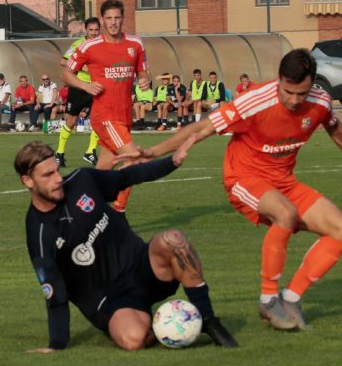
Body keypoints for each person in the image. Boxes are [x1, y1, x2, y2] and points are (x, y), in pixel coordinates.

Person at [132, 49, 342, 331]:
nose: (294, 100)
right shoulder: (255, 101)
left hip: (284, 182)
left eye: (301, 93)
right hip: (243, 178)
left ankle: (290, 298)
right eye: (288, 91)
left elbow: (334, 126)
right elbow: (205, 126)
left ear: (312, 85)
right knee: (285, 213)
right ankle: (268, 300)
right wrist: (154, 151)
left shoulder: (320, 101)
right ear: (279, 79)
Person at [15, 138, 238, 352]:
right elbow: (54, 290)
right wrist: (57, 344)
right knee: (132, 340)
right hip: (111, 300)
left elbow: (127, 176)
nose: (57, 179)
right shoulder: (39, 232)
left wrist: (172, 162)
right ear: (27, 181)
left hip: (143, 266)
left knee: (174, 240)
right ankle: (162, 325)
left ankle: (209, 321)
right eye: (47, 175)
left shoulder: (82, 180)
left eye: (56, 170)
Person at [62, 0, 151, 213]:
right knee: (135, 159)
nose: (113, 22)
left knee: (102, 172)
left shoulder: (135, 44)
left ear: (123, 18)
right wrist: (85, 85)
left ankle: (74, 211)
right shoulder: (89, 46)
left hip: (124, 116)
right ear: (102, 20)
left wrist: (144, 79)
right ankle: (117, 213)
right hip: (105, 117)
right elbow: (66, 74)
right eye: (109, 18)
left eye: (117, 18)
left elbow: (143, 71)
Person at [56, 17, 102, 167]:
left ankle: (90, 152)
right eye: (91, 30)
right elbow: (63, 62)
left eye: (96, 30)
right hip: (79, 85)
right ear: (86, 30)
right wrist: (83, 68)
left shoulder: (103, 44)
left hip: (96, 86)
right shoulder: (78, 44)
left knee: (99, 119)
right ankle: (60, 153)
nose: (94, 33)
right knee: (71, 122)